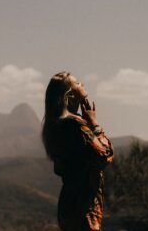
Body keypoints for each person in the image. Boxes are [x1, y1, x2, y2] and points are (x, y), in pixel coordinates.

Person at [42, 71, 114, 231]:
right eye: (77, 83)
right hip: (84, 206)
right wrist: (94, 124)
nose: (82, 84)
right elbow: (104, 156)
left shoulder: (57, 125)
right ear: (70, 94)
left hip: (69, 205)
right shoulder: (74, 125)